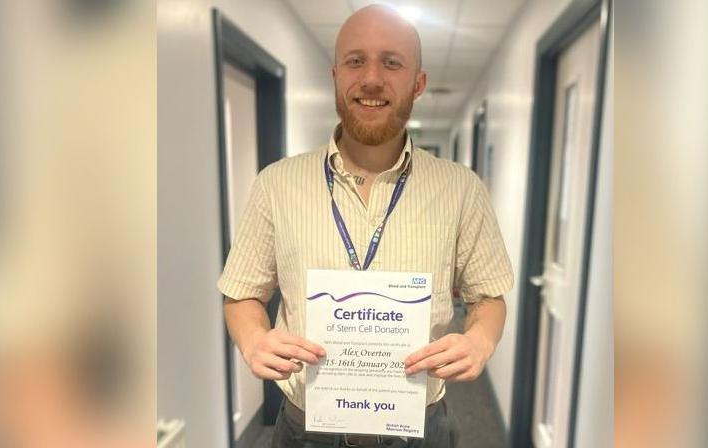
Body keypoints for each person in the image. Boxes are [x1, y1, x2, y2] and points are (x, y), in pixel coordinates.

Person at [218, 5, 513, 447]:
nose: (372, 79)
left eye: (392, 63)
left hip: (420, 429)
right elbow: (241, 293)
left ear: (419, 83)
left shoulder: (462, 190)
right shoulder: (275, 184)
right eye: (356, 61)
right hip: (305, 431)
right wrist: (253, 339)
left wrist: (480, 342)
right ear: (335, 75)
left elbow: (489, 297)